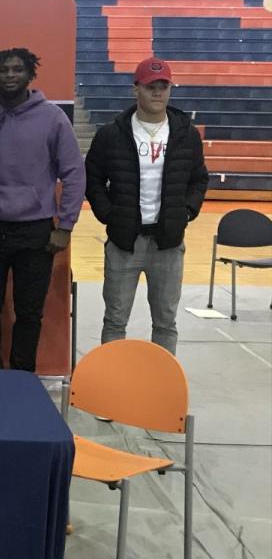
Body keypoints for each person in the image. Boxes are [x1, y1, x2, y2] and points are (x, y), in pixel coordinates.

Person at [0, 48, 86, 372]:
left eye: (17, 69)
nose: (10, 75)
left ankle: (23, 376)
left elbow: (74, 173)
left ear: (30, 74)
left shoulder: (52, 118)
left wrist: (65, 225)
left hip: (36, 232)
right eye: (3, 70)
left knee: (30, 312)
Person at [86, 57, 209, 355]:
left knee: (165, 322)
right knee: (115, 320)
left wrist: (186, 212)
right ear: (136, 89)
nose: (157, 92)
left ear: (170, 89)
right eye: (150, 86)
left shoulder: (186, 134)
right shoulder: (112, 133)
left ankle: (163, 388)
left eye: (163, 86)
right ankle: (111, 384)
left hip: (168, 242)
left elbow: (199, 179)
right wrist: (109, 215)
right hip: (124, 241)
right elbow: (93, 178)